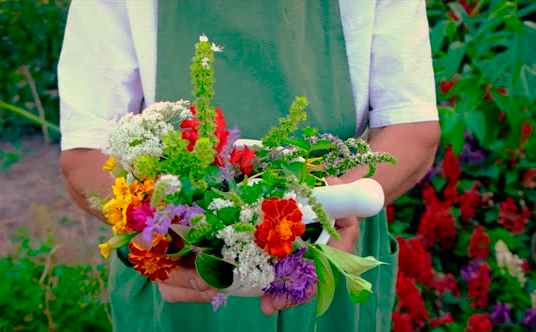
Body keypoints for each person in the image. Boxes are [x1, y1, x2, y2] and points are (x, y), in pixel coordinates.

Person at [58, 1, 440, 331]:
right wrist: (158, 230)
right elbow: (86, 152)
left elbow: (411, 126)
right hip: (181, 260)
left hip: (330, 249)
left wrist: (337, 207)